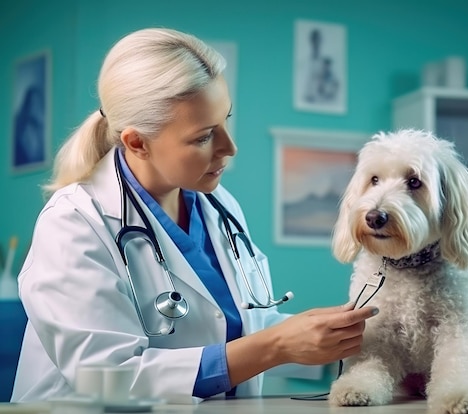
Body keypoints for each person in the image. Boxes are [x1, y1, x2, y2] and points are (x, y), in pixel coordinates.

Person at [11, 28, 378, 404]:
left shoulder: (219, 206)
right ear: (137, 142)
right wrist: (275, 346)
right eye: (204, 136)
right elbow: (108, 375)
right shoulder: (73, 223)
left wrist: (350, 341)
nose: (230, 147)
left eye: (227, 121)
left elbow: (239, 329)